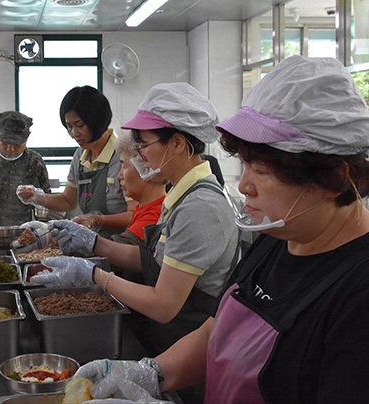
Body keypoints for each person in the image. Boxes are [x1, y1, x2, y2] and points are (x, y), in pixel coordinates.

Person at [72, 56, 369, 403]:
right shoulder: (279, 238)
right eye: (245, 165)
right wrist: (152, 373)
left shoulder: (357, 293)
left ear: (332, 177)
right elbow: (216, 330)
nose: (244, 186)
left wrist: (98, 275)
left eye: (263, 170)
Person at [30, 83, 239, 361]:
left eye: (143, 146)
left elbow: (164, 304)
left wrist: (96, 275)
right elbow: (155, 260)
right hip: (165, 338)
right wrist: (94, 242)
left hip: (187, 347)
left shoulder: (200, 207)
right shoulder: (179, 194)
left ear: (177, 143)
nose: (139, 156)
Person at [17, 85, 134, 238]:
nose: (74, 133)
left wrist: (97, 219)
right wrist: (37, 197)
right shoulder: (81, 155)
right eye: (69, 126)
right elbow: (67, 201)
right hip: (94, 242)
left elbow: (135, 214)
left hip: (122, 244)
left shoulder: (123, 155)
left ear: (97, 121)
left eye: (80, 125)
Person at [88, 130, 166, 245]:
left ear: (146, 169)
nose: (119, 175)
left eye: (124, 166)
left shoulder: (153, 216)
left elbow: (119, 250)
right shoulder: (143, 209)